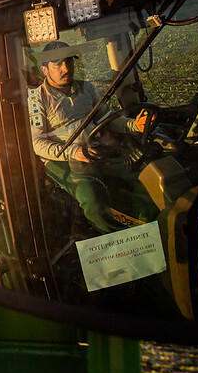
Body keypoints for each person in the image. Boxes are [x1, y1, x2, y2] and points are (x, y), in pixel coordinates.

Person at [28, 41, 148, 233]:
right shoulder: (36, 99)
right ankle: (117, 243)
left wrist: (135, 126)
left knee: (140, 183)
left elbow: (109, 119)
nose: (65, 68)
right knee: (94, 203)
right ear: (44, 69)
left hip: (97, 150)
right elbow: (38, 143)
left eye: (68, 62)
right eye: (57, 64)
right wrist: (73, 152)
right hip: (63, 161)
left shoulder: (87, 89)